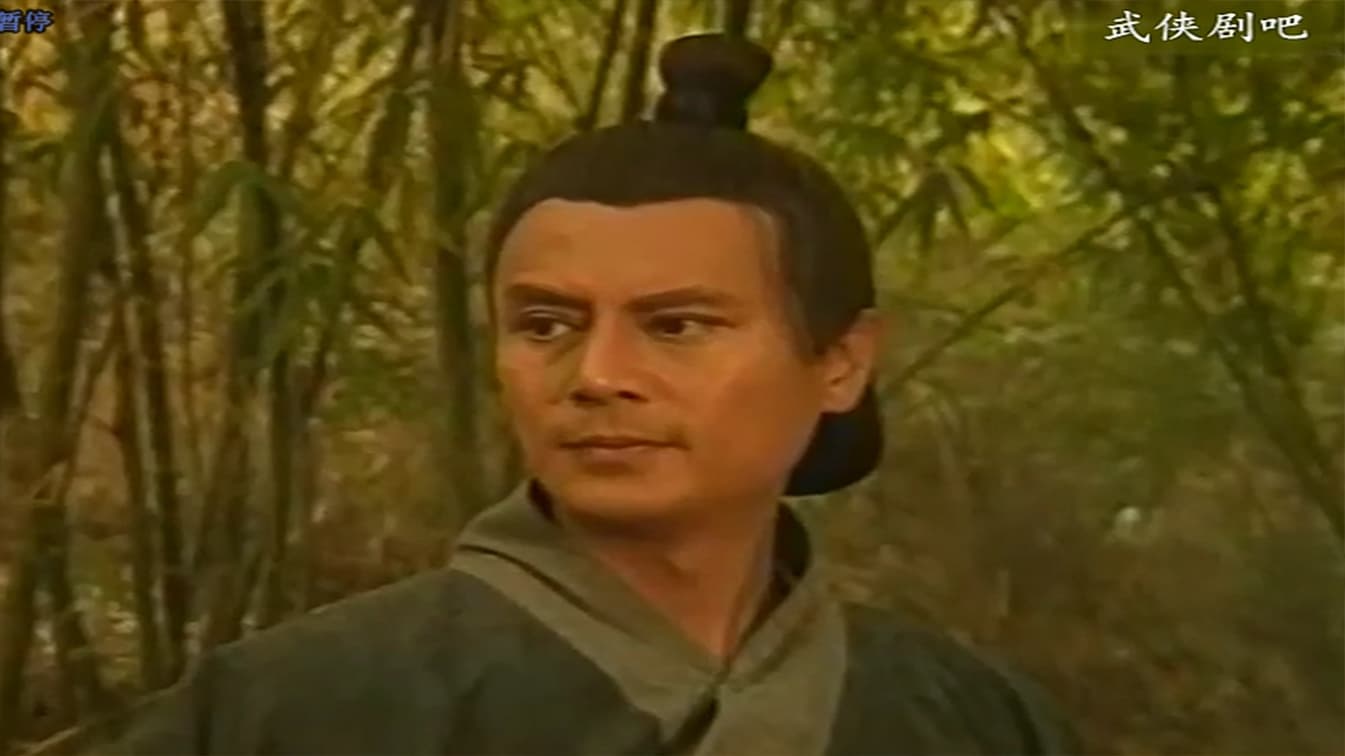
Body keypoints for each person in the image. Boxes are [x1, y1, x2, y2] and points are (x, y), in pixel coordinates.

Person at [104, 33, 1079, 755]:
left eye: (677, 326)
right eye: (545, 326)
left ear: (840, 361)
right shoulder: (293, 708)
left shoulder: (973, 719)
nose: (597, 376)